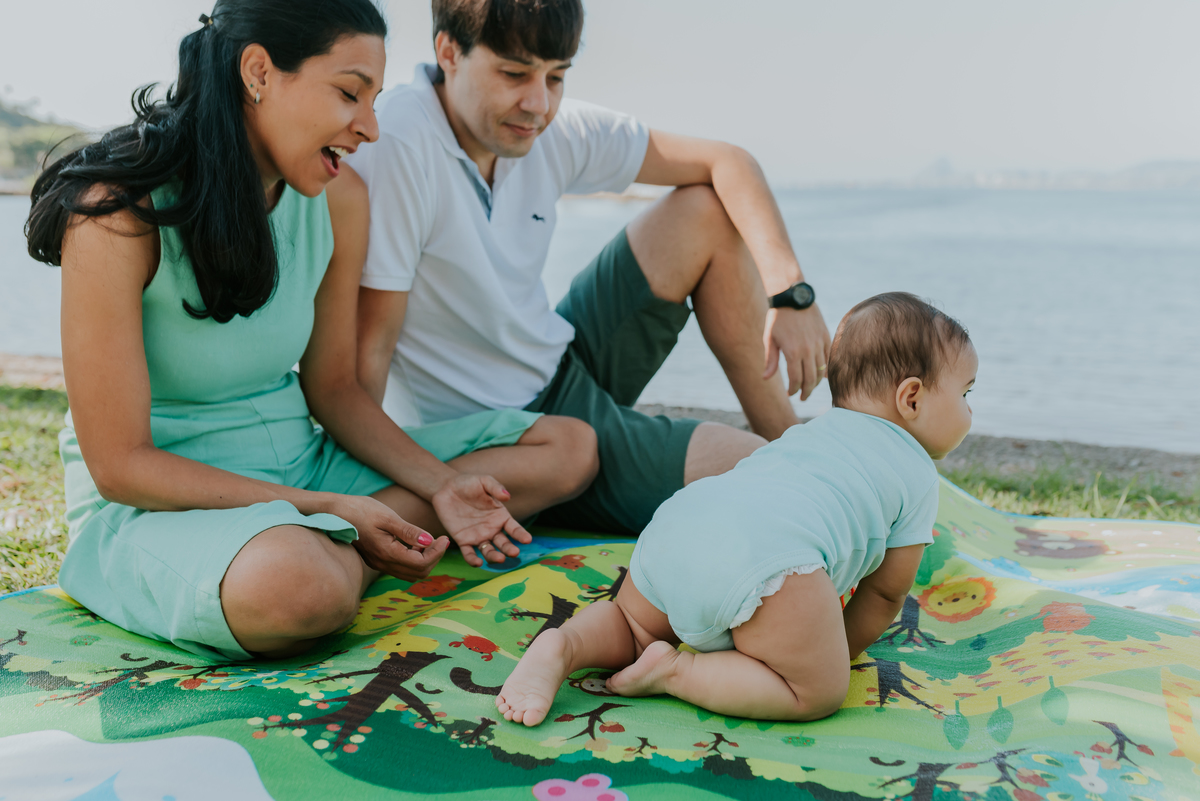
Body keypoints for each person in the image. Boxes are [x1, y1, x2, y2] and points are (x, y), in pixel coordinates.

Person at [24, 0, 598, 662]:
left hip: (303, 464)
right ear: (260, 72)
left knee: (566, 445)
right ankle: (355, 551)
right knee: (301, 587)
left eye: (377, 99)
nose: (372, 128)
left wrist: (439, 482)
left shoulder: (339, 199)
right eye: (351, 93)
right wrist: (321, 506)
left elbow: (335, 387)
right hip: (162, 507)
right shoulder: (115, 215)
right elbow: (121, 466)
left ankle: (362, 536)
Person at [347, 0, 833, 537]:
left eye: (556, 77)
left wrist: (790, 294)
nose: (538, 103)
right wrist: (373, 502)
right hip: (502, 437)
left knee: (703, 211)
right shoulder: (398, 142)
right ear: (449, 53)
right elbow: (367, 352)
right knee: (753, 472)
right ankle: (794, 471)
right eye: (514, 73)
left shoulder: (542, 129)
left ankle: (802, 450)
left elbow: (728, 161)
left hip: (560, 363)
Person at [496, 292, 978, 724]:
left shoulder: (810, 433)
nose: (970, 410)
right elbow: (884, 595)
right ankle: (676, 671)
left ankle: (564, 645)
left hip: (679, 525)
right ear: (911, 397)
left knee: (631, 625)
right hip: (769, 563)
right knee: (814, 691)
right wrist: (828, 655)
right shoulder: (916, 472)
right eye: (965, 393)